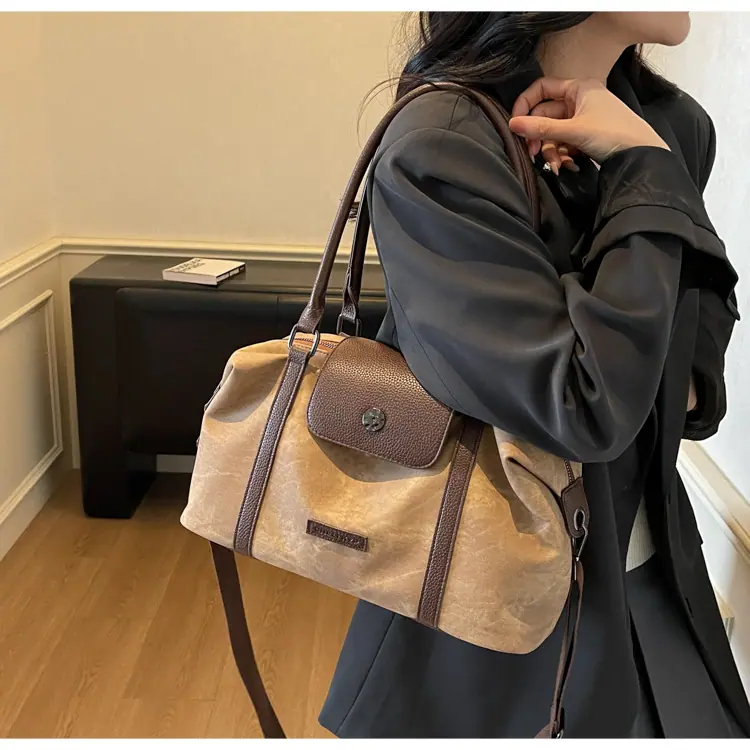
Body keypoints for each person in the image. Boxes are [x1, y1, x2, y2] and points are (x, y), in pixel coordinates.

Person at [318, 12, 750, 739]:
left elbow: (696, 345)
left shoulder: (674, 125)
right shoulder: (444, 141)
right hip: (492, 617)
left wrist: (642, 167)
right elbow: (584, 405)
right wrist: (644, 176)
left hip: (658, 575)